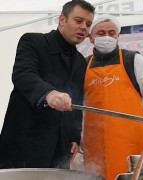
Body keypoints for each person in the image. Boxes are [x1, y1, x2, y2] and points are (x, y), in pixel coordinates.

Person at [0, 0, 95, 169]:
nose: (84, 28)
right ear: (62, 20)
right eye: (78, 21)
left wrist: (74, 136)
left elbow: (77, 101)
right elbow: (23, 74)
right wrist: (49, 94)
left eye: (88, 24)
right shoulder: (34, 41)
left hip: (60, 147)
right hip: (25, 142)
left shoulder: (80, 61)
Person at [82, 15, 143, 179]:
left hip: (130, 139)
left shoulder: (132, 59)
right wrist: (77, 137)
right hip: (95, 143)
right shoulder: (83, 64)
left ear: (117, 36)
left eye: (111, 32)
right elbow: (79, 104)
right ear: (91, 37)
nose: (107, 36)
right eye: (101, 33)